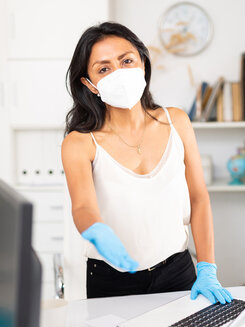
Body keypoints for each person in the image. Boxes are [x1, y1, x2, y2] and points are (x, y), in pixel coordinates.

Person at [61, 22, 233, 304]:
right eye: (104, 69)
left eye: (127, 60)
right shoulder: (80, 143)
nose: (119, 73)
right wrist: (96, 229)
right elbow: (82, 207)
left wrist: (207, 268)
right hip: (111, 278)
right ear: (89, 84)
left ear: (142, 63)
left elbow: (199, 198)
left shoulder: (176, 121)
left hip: (178, 271)